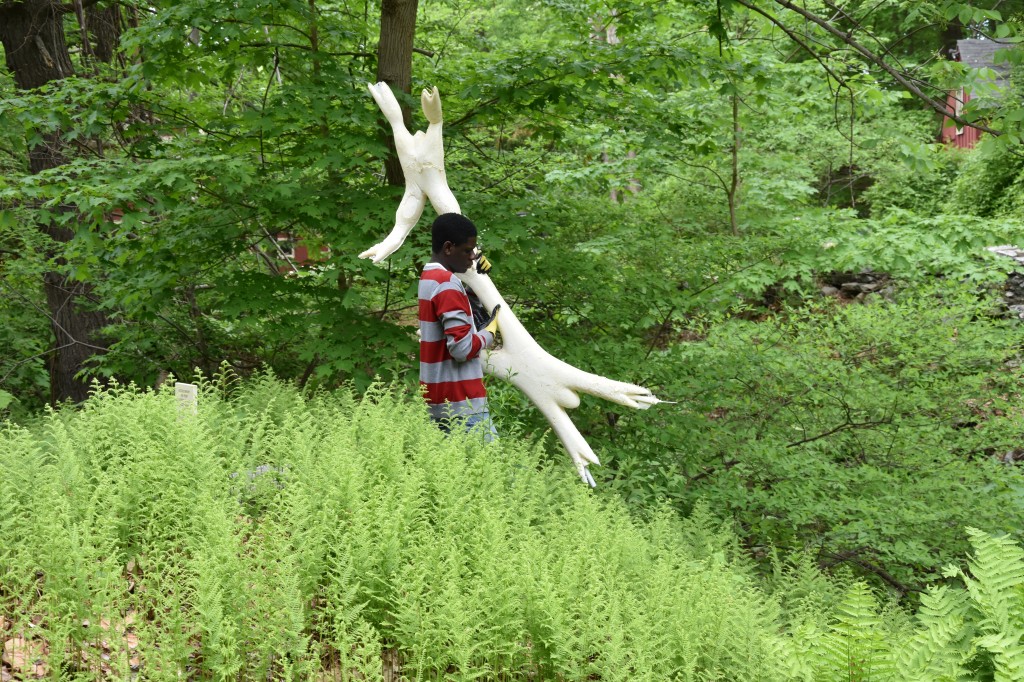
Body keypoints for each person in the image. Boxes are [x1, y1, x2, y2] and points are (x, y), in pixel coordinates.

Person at [418, 213, 501, 438]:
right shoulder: (447, 284)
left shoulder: (429, 278)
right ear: (448, 248)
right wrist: (489, 333)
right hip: (462, 404)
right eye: (467, 250)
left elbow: (456, 314)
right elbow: (461, 349)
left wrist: (481, 280)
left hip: (438, 401)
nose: (473, 256)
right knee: (496, 470)